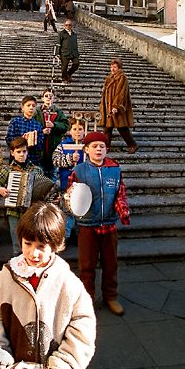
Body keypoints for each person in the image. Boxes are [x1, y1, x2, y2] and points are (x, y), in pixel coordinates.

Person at [0, 202, 96, 369]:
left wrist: (66, 364)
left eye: (42, 246)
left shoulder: (68, 283)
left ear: (56, 245)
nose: (33, 252)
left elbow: (83, 326)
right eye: (28, 243)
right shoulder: (6, 277)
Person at [70, 131, 130, 316]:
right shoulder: (79, 170)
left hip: (109, 224)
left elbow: (120, 194)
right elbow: (71, 195)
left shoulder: (115, 169)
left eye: (102, 146)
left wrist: (123, 212)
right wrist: (69, 199)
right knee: (87, 266)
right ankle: (86, 300)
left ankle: (110, 296)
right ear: (86, 149)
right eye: (94, 146)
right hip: (87, 225)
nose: (98, 149)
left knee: (110, 263)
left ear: (107, 149)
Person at [0, 136, 49, 255]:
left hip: (32, 212)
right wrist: (0, 189)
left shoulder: (36, 170)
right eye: (18, 152)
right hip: (14, 212)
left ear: (28, 152)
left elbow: (44, 189)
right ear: (12, 153)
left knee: (32, 240)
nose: (21, 154)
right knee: (17, 243)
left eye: (24, 151)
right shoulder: (8, 170)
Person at [52, 117, 86, 240]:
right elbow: (55, 160)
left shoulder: (87, 146)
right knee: (67, 211)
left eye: (80, 129)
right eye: (75, 129)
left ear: (84, 131)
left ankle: (80, 237)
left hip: (83, 185)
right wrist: (70, 159)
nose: (77, 132)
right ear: (70, 131)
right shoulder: (63, 145)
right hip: (67, 184)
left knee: (82, 212)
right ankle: (64, 238)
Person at [99, 57, 138, 154]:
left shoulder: (122, 77)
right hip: (108, 106)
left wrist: (116, 106)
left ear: (119, 68)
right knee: (107, 128)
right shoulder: (109, 78)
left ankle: (132, 145)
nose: (112, 69)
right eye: (111, 67)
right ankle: (106, 147)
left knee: (122, 127)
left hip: (117, 107)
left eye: (115, 67)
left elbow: (121, 93)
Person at [34, 88, 68, 180]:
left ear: (54, 99)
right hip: (40, 148)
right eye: (46, 96)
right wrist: (42, 131)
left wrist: (54, 125)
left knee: (53, 174)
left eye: (51, 96)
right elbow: (31, 125)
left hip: (53, 145)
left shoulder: (58, 112)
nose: (48, 98)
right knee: (39, 175)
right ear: (42, 98)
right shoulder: (36, 112)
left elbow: (65, 126)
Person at [5, 95, 44, 166]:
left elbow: (41, 145)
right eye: (28, 105)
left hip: (33, 160)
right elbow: (9, 140)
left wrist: (34, 141)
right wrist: (22, 140)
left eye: (33, 106)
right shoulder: (15, 122)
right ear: (22, 107)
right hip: (16, 160)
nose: (31, 108)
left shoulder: (38, 125)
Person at [57, 19, 79, 83]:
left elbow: (75, 44)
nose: (68, 26)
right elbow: (58, 44)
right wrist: (57, 54)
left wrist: (77, 52)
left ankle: (68, 74)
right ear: (64, 26)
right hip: (65, 53)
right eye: (66, 25)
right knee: (64, 67)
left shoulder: (74, 34)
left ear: (71, 26)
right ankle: (64, 78)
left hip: (73, 53)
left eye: (69, 25)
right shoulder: (61, 33)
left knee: (76, 63)